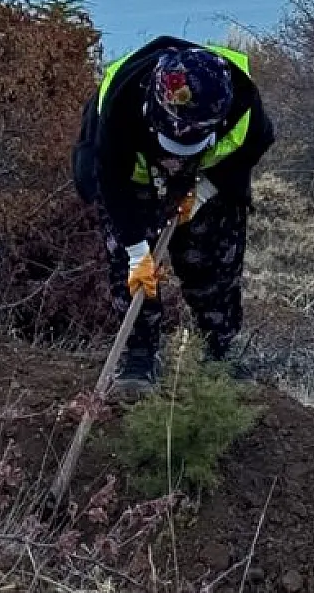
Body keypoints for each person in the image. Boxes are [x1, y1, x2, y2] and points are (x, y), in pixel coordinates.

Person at [72, 35, 275, 392]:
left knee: (214, 262)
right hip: (132, 181)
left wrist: (202, 194)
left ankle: (219, 351)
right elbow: (110, 182)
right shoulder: (121, 108)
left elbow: (252, 147)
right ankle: (139, 358)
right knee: (132, 269)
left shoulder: (243, 104)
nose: (177, 153)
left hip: (209, 177)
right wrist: (137, 253)